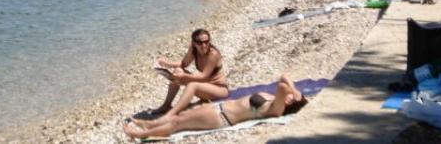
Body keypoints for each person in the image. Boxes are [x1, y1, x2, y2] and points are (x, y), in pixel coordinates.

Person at [124, 74, 307, 139]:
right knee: (179, 118)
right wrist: (296, 92)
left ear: (290, 102)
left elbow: (283, 85)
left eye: (293, 98)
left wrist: (294, 91)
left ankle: (140, 135)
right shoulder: (273, 99)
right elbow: (284, 76)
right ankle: (147, 124)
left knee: (177, 125)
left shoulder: (277, 109)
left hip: (221, 118)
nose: (291, 95)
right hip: (219, 108)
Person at [151, 29, 229, 117]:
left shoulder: (213, 54)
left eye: (206, 42)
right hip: (205, 86)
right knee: (178, 70)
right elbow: (184, 64)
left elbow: (204, 76)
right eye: (199, 42)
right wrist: (167, 64)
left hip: (219, 89)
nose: (204, 45)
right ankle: (166, 105)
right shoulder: (194, 50)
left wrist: (184, 76)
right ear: (194, 43)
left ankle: (174, 111)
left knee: (192, 85)